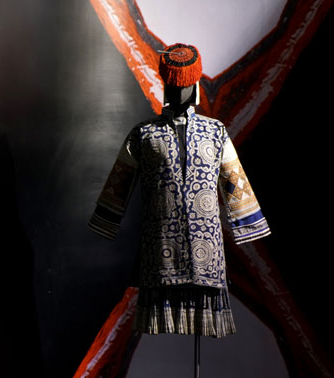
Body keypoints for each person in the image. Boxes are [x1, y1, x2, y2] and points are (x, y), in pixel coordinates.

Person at [88, 43, 270, 337]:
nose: (182, 90)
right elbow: (117, 188)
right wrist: (107, 219)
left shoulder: (214, 132)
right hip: (161, 255)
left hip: (205, 256)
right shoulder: (144, 134)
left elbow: (236, 185)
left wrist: (247, 221)